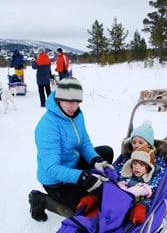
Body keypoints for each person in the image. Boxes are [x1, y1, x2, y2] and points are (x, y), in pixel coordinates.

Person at [28, 77, 114, 222]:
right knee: (79, 212)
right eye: (69, 101)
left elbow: (84, 143)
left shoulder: (77, 115)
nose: (74, 106)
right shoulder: (47, 126)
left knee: (106, 152)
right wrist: (82, 177)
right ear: (59, 98)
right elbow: (52, 168)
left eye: (77, 101)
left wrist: (95, 160)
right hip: (55, 180)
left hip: (71, 164)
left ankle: (84, 184)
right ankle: (39, 199)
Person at [114, 120, 167, 194]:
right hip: (126, 186)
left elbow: (160, 177)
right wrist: (120, 182)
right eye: (134, 142)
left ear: (149, 144)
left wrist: (144, 188)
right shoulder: (129, 155)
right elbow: (120, 170)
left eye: (140, 142)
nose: (136, 145)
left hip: (145, 190)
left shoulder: (157, 159)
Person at [117, 146, 155, 224]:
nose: (137, 167)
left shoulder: (149, 183)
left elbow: (150, 198)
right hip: (120, 205)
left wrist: (141, 207)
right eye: (135, 163)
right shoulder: (125, 176)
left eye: (141, 165)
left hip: (134, 207)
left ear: (148, 168)